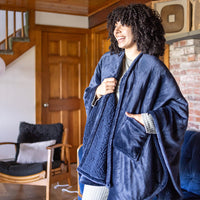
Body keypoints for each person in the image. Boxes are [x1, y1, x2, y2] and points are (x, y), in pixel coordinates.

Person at [78, 3, 188, 200]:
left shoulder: (153, 67)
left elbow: (179, 110)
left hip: (130, 157)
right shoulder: (107, 61)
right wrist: (98, 92)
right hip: (100, 152)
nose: (116, 30)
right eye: (114, 25)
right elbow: (89, 95)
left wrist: (147, 120)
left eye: (123, 25)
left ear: (139, 27)